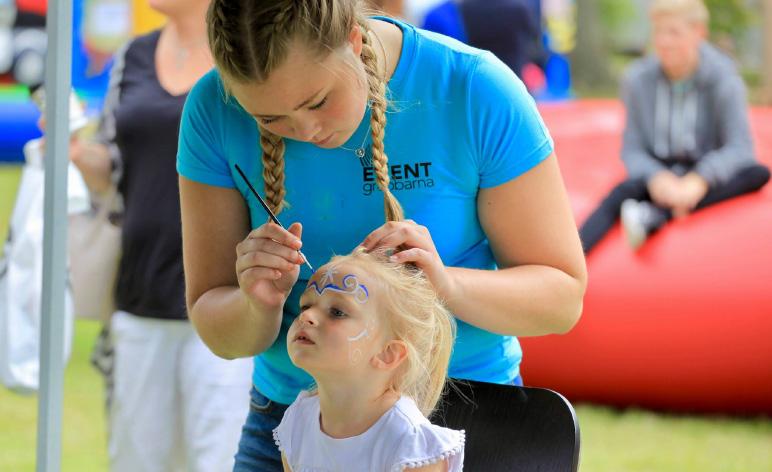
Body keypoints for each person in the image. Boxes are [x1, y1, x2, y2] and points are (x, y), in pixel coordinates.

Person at [177, 1, 586, 469]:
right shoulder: (212, 110)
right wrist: (257, 304)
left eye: (317, 101)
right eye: (270, 119)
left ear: (353, 39)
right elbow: (220, 333)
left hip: (466, 416)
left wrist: (446, 284)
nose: (306, 131)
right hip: (295, 424)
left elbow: (561, 300)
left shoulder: (472, 87)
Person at [67, 0, 253, 470]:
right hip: (141, 293)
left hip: (229, 298)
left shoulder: (248, 51)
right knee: (136, 459)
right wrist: (78, 154)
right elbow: (114, 170)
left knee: (220, 458)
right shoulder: (133, 55)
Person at [579, 0, 770, 253]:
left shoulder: (724, 79)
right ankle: (572, 259)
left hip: (704, 174)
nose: (664, 42)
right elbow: (632, 149)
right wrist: (656, 177)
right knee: (617, 195)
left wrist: (700, 180)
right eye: (658, 32)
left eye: (674, 32)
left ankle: (658, 215)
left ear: (699, 32)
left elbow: (740, 147)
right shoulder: (637, 79)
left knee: (757, 173)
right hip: (659, 174)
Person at [275, 248, 464, 471]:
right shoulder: (298, 422)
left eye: (337, 312)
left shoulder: (409, 447)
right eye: (305, 306)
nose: (306, 316)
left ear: (388, 353)